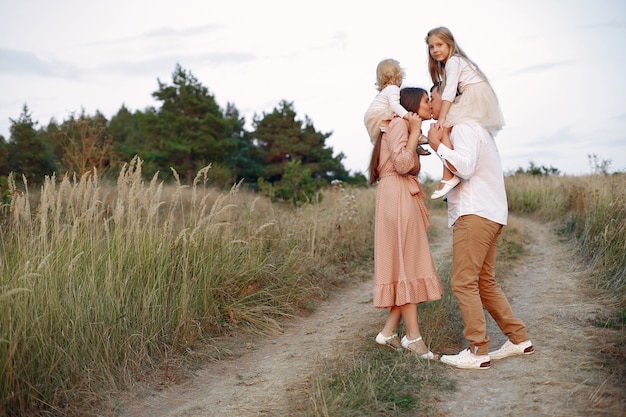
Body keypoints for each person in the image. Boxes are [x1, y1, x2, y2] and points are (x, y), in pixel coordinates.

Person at [427, 83, 533, 370]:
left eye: (433, 96)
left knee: (463, 281)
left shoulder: (465, 126)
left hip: (475, 213)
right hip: (489, 212)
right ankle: (518, 339)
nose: (430, 101)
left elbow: (465, 167)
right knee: (484, 282)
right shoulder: (474, 128)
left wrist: (437, 146)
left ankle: (477, 350)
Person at [369, 87, 443, 359]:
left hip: (398, 195)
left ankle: (388, 333)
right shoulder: (400, 124)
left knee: (405, 264)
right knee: (407, 266)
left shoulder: (399, 125)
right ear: (412, 103)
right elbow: (401, 163)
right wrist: (413, 133)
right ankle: (413, 338)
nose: (429, 104)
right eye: (426, 99)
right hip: (397, 196)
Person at [425, 26, 505, 199]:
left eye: (439, 44)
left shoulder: (454, 61)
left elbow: (449, 91)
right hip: (476, 95)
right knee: (447, 126)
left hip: (474, 96)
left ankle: (449, 176)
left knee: (446, 124)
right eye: (431, 47)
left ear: (450, 44)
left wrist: (443, 117)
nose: (435, 50)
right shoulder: (453, 62)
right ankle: (449, 175)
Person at [364, 58, 430, 155]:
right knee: (401, 119)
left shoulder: (385, 90)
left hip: (371, 118)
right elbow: (395, 105)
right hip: (378, 116)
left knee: (397, 130)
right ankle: (417, 138)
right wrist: (408, 116)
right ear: (399, 75)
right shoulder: (393, 88)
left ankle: (414, 145)